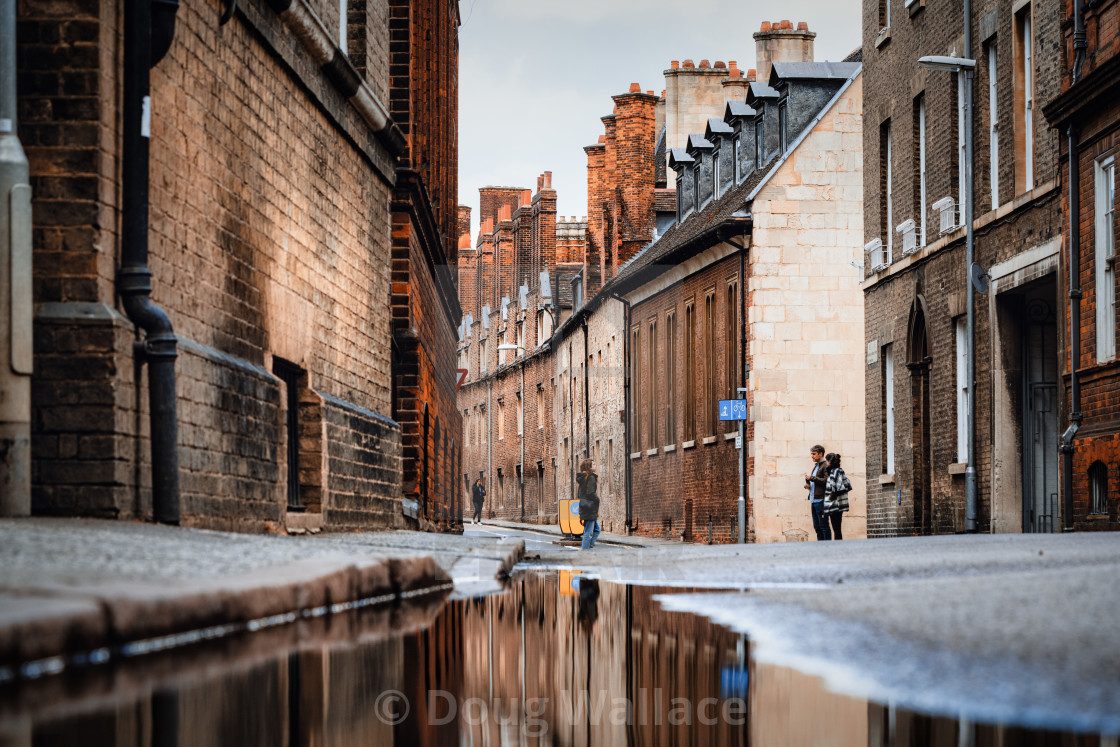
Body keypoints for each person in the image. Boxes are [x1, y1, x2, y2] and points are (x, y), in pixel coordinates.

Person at [822, 452, 851, 540]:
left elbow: (839, 486)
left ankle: (838, 546)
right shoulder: (838, 470)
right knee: (837, 528)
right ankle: (838, 545)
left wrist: (832, 495)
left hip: (835, 503)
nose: (826, 463)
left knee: (836, 528)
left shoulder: (835, 471)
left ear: (829, 461)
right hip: (836, 503)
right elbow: (847, 485)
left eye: (827, 461)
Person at [805, 445, 831, 541]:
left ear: (821, 454)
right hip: (814, 500)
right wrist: (808, 485)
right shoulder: (816, 466)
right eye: (811, 454)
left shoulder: (825, 465)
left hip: (821, 500)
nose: (812, 456)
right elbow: (816, 482)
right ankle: (820, 548)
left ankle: (827, 547)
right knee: (817, 527)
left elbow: (826, 480)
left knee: (824, 526)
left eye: (814, 454)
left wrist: (811, 478)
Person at [576, 459, 601, 550]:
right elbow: (590, 493)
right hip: (590, 508)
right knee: (588, 532)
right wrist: (597, 499)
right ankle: (585, 551)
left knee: (597, 530)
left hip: (586, 507)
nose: (595, 465)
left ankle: (588, 546)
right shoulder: (590, 477)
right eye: (593, 464)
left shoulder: (585, 478)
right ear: (589, 467)